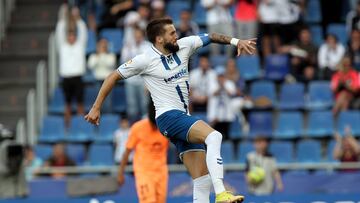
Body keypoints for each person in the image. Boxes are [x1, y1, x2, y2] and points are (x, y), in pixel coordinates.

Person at [85, 18, 256, 203]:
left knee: (202, 179)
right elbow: (112, 76)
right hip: (168, 117)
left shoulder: (185, 45)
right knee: (214, 136)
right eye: (172, 33)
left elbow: (212, 36)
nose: (177, 36)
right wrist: (96, 107)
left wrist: (236, 41)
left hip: (182, 117)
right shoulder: (145, 60)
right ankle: (222, 193)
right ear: (159, 39)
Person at [117, 98, 169, 203]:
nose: (155, 128)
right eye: (153, 125)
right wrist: (120, 173)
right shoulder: (138, 128)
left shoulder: (166, 128)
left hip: (161, 172)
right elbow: (127, 152)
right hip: (144, 172)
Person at [56, 6, 87, 127]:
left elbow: (83, 31)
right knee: (67, 104)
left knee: (80, 103)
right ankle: (67, 128)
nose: (71, 38)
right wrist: (64, 18)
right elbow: (59, 32)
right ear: (67, 37)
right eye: (69, 36)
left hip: (78, 77)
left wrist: (78, 18)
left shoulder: (80, 46)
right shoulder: (62, 47)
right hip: (66, 78)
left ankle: (81, 126)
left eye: (73, 36)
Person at [121, 26, 150, 121]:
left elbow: (150, 65)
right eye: (135, 35)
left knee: (144, 106)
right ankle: (134, 129)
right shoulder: (127, 47)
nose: (137, 37)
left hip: (144, 81)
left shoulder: (148, 46)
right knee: (132, 108)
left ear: (142, 35)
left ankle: (145, 129)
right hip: (130, 80)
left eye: (139, 35)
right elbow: (123, 62)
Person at [207, 67, 237, 140]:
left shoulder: (229, 83)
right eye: (219, 76)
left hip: (227, 115)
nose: (221, 78)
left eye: (222, 76)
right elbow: (213, 93)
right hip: (215, 116)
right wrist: (220, 86)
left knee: (227, 137)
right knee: (215, 137)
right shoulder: (212, 83)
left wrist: (224, 86)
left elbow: (232, 94)